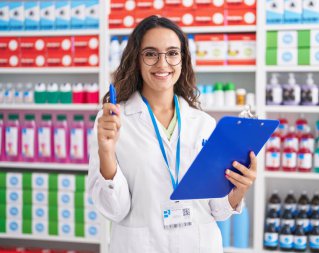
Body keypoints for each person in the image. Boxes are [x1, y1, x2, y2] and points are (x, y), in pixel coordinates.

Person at [87, 15, 257, 253]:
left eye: (172, 53)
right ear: (136, 59)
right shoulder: (113, 121)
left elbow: (217, 210)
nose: (162, 63)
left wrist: (239, 189)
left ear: (183, 59)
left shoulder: (204, 124)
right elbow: (115, 210)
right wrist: (106, 153)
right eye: (150, 53)